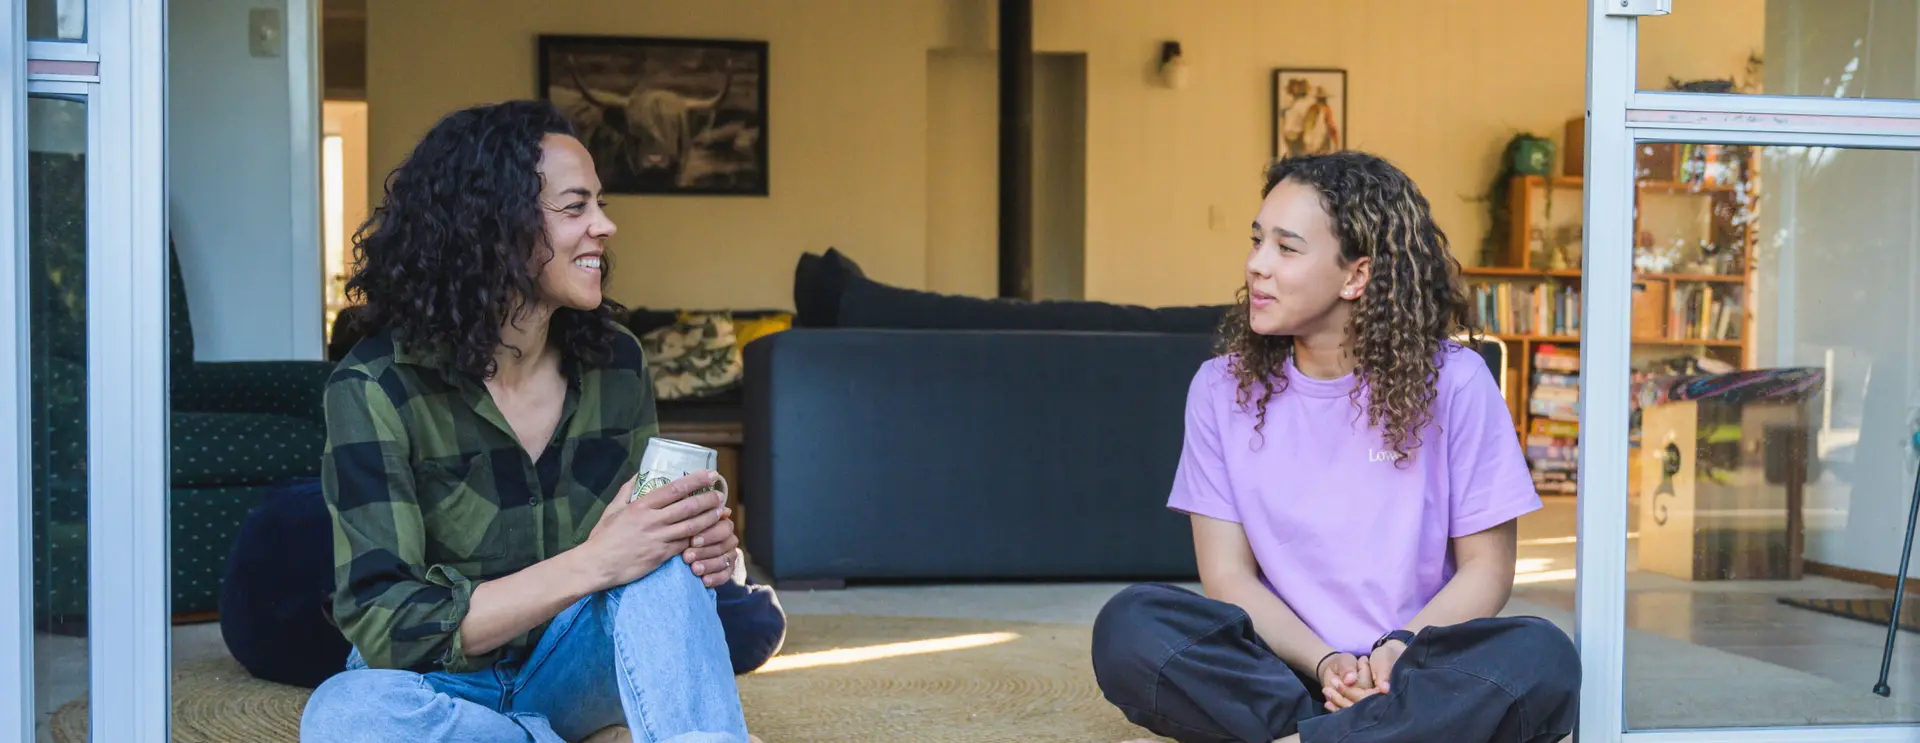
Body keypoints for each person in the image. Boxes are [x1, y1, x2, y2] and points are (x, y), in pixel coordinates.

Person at [300, 100, 766, 743]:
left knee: (659, 554)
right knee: (345, 716)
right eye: (576, 207)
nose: (605, 226)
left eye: (599, 204)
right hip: (442, 681)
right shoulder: (376, 386)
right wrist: (596, 562)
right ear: (493, 226)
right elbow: (388, 627)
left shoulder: (617, 364)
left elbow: (649, 568)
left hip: (577, 666)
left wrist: (707, 547)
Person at [1090, 151, 1580, 743]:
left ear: (1356, 276)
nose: (1256, 265)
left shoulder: (1456, 381)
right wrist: (1324, 662)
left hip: (1413, 667)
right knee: (1131, 626)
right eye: (1257, 241)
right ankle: (1361, 734)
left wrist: (1397, 649)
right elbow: (1226, 575)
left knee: (1542, 655)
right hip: (1283, 667)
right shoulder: (1220, 388)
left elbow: (1488, 569)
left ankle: (1322, 735)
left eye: (1286, 248)